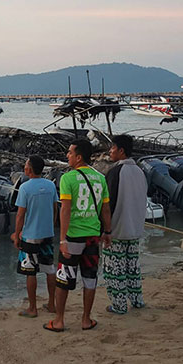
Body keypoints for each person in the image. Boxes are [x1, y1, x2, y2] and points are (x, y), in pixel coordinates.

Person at [43, 139, 111, 332]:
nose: (67, 156)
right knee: (90, 279)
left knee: (64, 279)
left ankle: (59, 320)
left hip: (73, 237)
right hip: (92, 236)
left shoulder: (68, 178)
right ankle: (86, 319)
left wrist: (62, 239)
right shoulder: (100, 178)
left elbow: (65, 210)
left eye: (70, 153)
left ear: (79, 157)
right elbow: (105, 209)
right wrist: (108, 231)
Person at [103, 134, 148, 314]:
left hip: (118, 229)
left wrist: (105, 229)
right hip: (135, 228)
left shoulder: (115, 172)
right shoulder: (140, 171)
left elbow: (108, 205)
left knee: (115, 269)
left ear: (121, 151)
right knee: (132, 267)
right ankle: (137, 300)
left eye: (112, 148)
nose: (110, 151)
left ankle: (119, 305)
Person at [13, 156, 59, 318]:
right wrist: (50, 226)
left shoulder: (25, 188)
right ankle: (52, 303)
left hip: (30, 235)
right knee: (49, 269)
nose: (24, 167)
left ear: (29, 169)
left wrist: (17, 234)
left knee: (30, 271)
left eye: (26, 165)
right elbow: (55, 209)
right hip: (47, 233)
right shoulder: (50, 185)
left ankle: (33, 308)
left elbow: (20, 215)